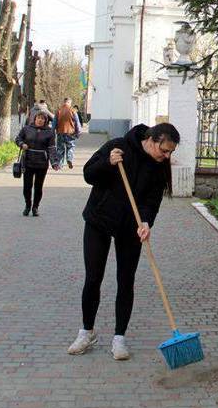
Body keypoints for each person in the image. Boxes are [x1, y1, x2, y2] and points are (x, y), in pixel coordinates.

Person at [68, 122, 179, 361]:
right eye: (164, 150)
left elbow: (152, 201)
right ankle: (86, 332)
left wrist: (146, 222)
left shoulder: (159, 168)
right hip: (99, 220)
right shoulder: (118, 147)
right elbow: (88, 174)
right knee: (93, 278)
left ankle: (119, 338)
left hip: (131, 228)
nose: (167, 155)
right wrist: (107, 163)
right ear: (151, 140)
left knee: (126, 281)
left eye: (171, 152)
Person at [15, 110, 59, 217]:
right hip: (28, 162)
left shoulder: (49, 132)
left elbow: (52, 148)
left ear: (46, 121)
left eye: (43, 118)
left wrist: (54, 162)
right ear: (35, 119)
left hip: (41, 163)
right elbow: (18, 139)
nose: (40, 120)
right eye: (38, 118)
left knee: (38, 187)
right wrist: (22, 144)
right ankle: (27, 206)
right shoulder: (27, 129)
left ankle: (35, 207)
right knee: (27, 186)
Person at [54, 97, 81, 169]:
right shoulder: (73, 110)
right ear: (69, 102)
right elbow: (77, 123)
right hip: (70, 133)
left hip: (60, 132)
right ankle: (69, 159)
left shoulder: (58, 111)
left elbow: (54, 123)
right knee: (70, 147)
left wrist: (52, 132)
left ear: (64, 102)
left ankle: (59, 164)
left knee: (60, 148)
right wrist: (78, 133)